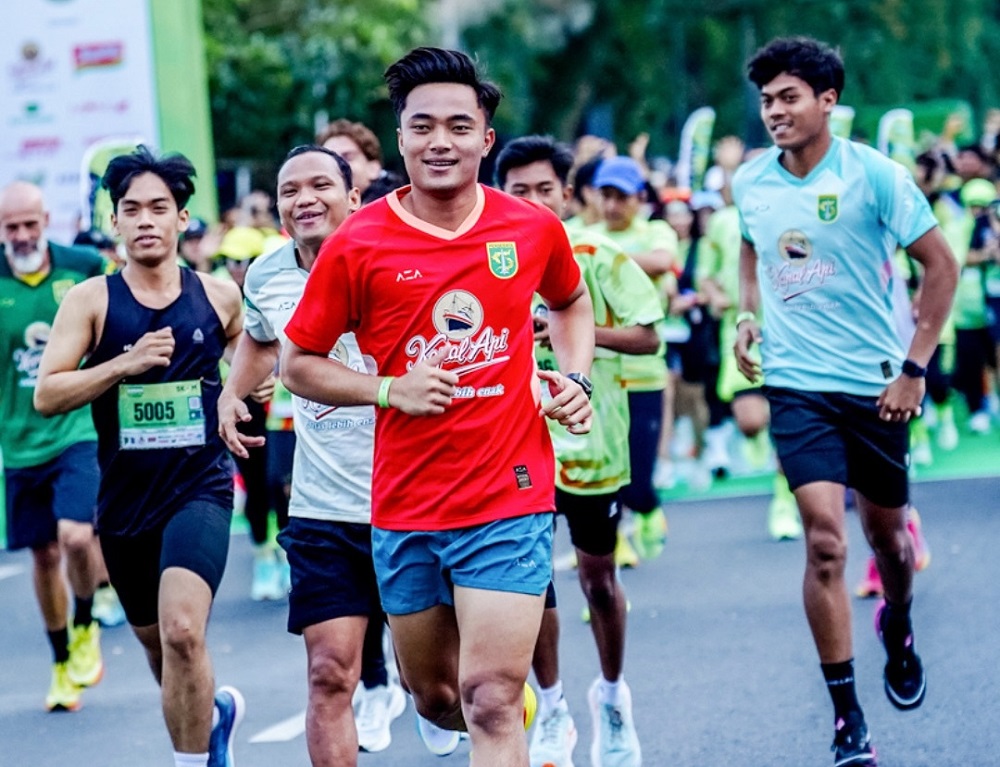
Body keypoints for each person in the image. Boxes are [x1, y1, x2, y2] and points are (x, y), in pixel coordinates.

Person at [280, 47, 595, 767]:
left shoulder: (529, 228)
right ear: (400, 139)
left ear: (487, 138)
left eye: (459, 125)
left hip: (509, 492)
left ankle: (510, 703)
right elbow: (298, 363)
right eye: (423, 126)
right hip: (405, 503)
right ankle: (495, 703)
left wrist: (574, 378)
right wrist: (389, 389)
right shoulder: (359, 244)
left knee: (488, 694)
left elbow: (570, 301)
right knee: (438, 696)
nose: (440, 142)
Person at [732, 37, 958, 766]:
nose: (775, 111)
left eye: (789, 97)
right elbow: (749, 245)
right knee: (825, 537)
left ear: (828, 101)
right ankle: (847, 715)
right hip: (797, 383)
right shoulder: (751, 182)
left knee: (888, 539)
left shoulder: (876, 176)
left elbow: (941, 265)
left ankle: (898, 620)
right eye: (766, 100)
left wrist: (915, 368)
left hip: (875, 385)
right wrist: (745, 314)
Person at [34, 145, 247, 767]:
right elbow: (49, 393)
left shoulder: (217, 297)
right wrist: (124, 363)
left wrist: (244, 387)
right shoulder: (91, 301)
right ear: (116, 222)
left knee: (184, 632)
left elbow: (251, 356)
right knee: (162, 653)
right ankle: (213, 722)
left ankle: (193, 762)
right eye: (132, 209)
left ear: (183, 219)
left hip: (200, 488)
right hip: (125, 503)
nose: (146, 219)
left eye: (161, 207)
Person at [217, 144, 407, 764]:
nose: (305, 199)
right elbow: (258, 336)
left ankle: (499, 710)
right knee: (329, 674)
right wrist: (230, 394)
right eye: (291, 189)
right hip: (325, 510)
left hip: (414, 499)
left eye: (321, 185)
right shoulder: (269, 275)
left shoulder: (398, 260)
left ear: (355, 197)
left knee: (440, 689)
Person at [498, 135, 660, 767]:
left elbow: (648, 337)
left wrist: (576, 331)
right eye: (519, 191)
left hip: (592, 442)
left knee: (597, 580)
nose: (534, 201)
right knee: (531, 582)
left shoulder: (598, 254)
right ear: (498, 192)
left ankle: (613, 696)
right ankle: (554, 705)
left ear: (567, 194)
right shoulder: (488, 256)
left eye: (545, 189)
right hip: (514, 446)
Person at [0, 181, 107, 712]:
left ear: (46, 219)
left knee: (76, 534)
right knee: (42, 555)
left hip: (76, 427)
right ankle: (62, 659)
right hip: (18, 442)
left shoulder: (82, 265)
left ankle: (86, 620)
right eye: (10, 227)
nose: (21, 235)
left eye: (29, 224)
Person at [591, 155, 676, 564]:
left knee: (638, 478)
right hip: (598, 374)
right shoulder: (582, 234)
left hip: (644, 374)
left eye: (621, 197)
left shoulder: (655, 231)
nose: (612, 205)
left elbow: (662, 262)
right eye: (606, 195)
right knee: (606, 471)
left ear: (640, 198)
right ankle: (616, 538)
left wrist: (599, 260)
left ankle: (648, 508)